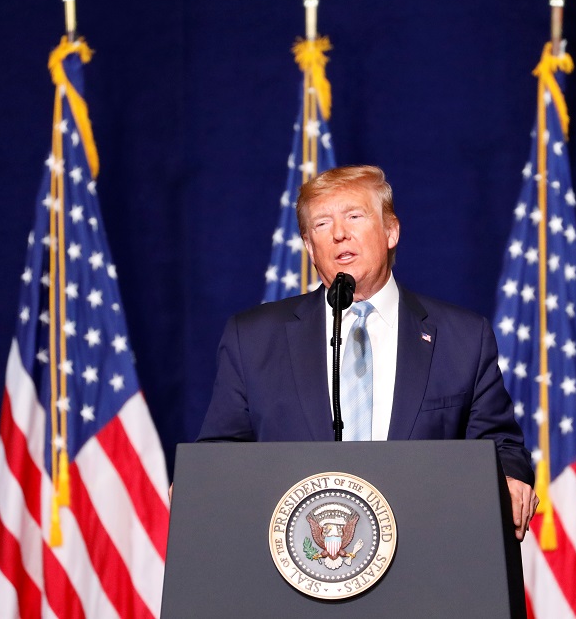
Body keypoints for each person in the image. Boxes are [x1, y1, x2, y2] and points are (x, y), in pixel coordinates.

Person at [198, 165, 539, 540]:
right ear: (310, 246)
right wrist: (201, 482)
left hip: (426, 556)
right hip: (297, 564)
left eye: (354, 216)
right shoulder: (253, 338)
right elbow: (220, 450)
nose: (339, 233)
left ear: (391, 231)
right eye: (322, 225)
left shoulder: (461, 337)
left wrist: (509, 478)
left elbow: (500, 445)